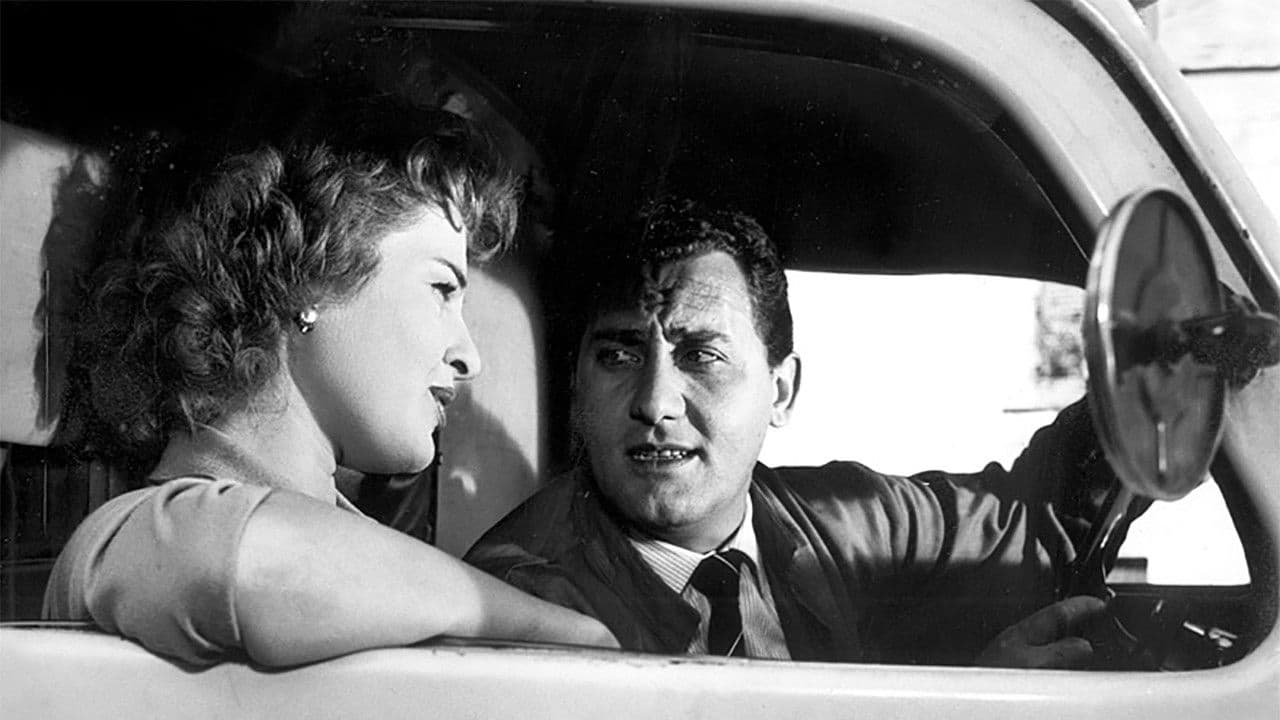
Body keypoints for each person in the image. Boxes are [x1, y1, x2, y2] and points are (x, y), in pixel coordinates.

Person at [42, 106, 617, 667]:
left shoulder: (368, 562)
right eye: (442, 289)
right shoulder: (128, 539)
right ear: (308, 278)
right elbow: (256, 564)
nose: (470, 356)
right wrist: (557, 629)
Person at [466, 196, 1119, 667]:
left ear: (781, 391)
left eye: (701, 356)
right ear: (578, 384)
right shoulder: (523, 599)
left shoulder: (839, 520)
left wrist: (1152, 375)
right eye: (618, 355)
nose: (655, 401)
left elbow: (1034, 515)